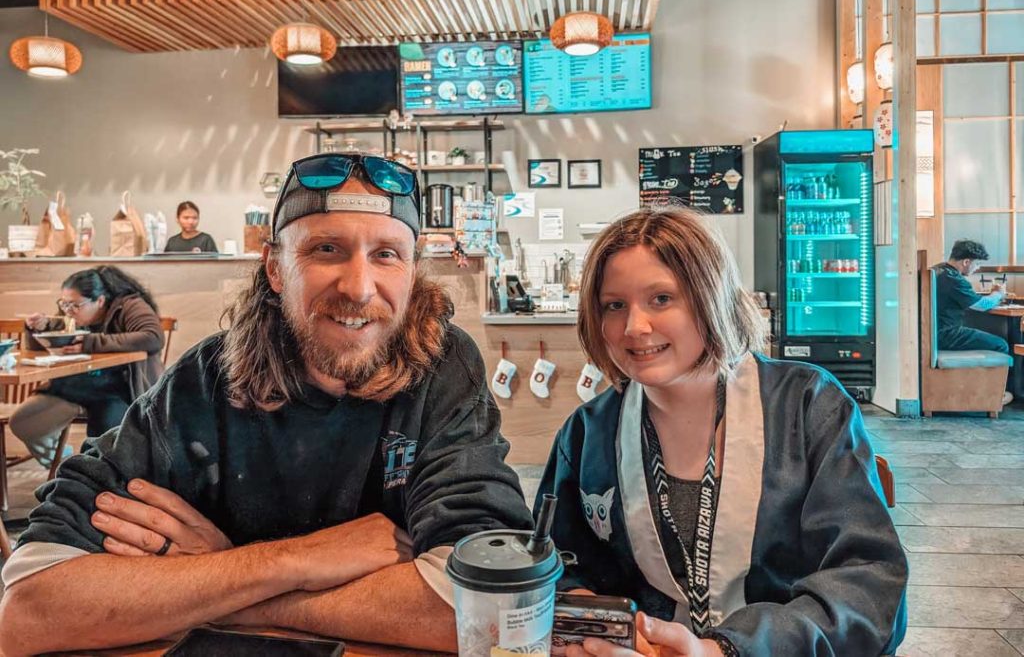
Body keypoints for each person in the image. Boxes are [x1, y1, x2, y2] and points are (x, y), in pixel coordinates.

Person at [0, 153, 532, 656]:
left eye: (386, 255)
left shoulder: (442, 366)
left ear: (413, 272)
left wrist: (221, 579)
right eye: (326, 249)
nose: (359, 286)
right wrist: (295, 560)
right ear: (275, 268)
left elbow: (495, 609)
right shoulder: (205, 378)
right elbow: (29, 607)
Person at [536, 207, 907, 657]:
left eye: (661, 299)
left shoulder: (807, 407)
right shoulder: (587, 434)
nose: (634, 327)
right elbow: (552, 564)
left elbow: (868, 583)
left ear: (710, 296)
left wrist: (722, 650)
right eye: (614, 306)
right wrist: (589, 617)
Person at [10, 266, 164, 467]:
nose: (68, 311)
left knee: (106, 442)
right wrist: (37, 328)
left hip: (120, 389)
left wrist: (91, 342)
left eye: (75, 305)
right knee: (23, 422)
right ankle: (66, 466)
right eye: (64, 304)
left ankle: (102, 479)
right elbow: (42, 348)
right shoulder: (71, 316)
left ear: (100, 301)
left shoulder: (128, 305)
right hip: (74, 386)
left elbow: (153, 337)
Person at [932, 239, 1008, 353]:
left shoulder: (937, 270)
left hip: (934, 332)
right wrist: (999, 293)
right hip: (947, 334)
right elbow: (982, 305)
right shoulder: (954, 279)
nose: (977, 268)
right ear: (966, 262)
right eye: (977, 263)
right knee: (1001, 345)